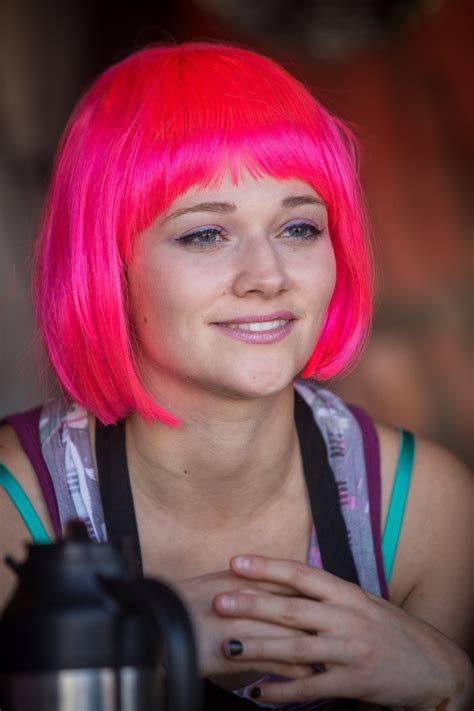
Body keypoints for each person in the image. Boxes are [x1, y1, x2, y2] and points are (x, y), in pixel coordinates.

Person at [0, 42, 472, 710]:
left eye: (299, 227)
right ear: (110, 264)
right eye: (205, 235)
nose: (268, 276)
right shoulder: (13, 513)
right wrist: (124, 658)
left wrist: (453, 689)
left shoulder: (427, 509)